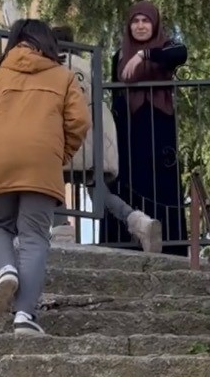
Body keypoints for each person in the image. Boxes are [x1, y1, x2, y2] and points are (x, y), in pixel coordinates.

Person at [0, 18, 90, 336]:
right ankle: (24, 316)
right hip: (42, 164)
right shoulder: (64, 78)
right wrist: (58, 155)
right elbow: (79, 122)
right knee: (35, 237)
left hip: (0, 160)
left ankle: (5, 268)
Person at [51, 25, 161, 252]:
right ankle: (138, 221)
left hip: (64, 137)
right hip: (93, 140)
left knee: (53, 181)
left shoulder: (54, 67)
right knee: (99, 191)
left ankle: (62, 229)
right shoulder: (86, 67)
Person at [109, 0, 188, 255]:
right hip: (128, 129)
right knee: (127, 181)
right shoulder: (119, 55)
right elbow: (116, 93)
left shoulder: (166, 47)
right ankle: (126, 242)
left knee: (161, 184)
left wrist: (145, 55)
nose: (140, 26)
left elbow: (181, 54)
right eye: (135, 21)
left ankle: (168, 245)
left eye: (146, 21)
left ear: (154, 25)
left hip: (158, 126)